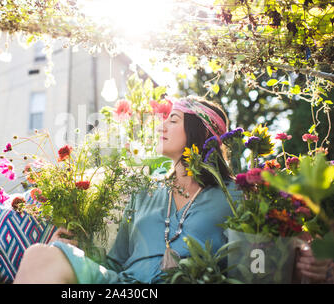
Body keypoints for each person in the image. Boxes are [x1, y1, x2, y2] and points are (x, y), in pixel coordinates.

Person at [14, 96, 241, 284]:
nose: (162, 126)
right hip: (127, 284)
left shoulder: (234, 195)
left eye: (173, 120)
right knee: (40, 254)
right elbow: (115, 262)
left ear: (199, 131)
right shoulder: (145, 190)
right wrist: (72, 251)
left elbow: (247, 266)